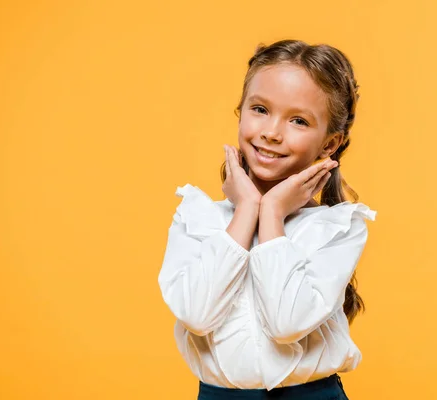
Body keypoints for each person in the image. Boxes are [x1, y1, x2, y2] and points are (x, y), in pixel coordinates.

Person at [158, 39, 377, 400]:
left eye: (298, 120)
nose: (272, 132)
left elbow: (287, 324)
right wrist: (246, 210)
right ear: (240, 111)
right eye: (260, 109)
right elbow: (197, 315)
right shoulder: (197, 217)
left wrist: (271, 213)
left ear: (329, 144)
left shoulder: (339, 228)